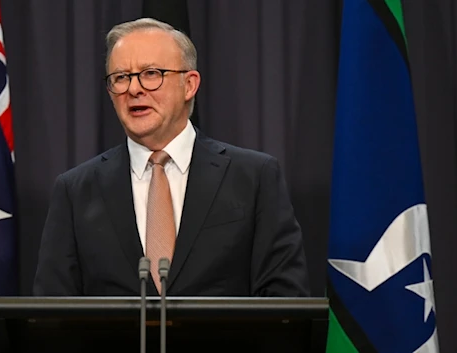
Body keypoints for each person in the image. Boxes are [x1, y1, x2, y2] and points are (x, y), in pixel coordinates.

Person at [33, 17, 310, 297]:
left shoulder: (254, 177)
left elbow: (284, 298)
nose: (134, 89)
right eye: (120, 77)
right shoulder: (76, 190)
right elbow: (52, 312)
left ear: (189, 85)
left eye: (151, 73)